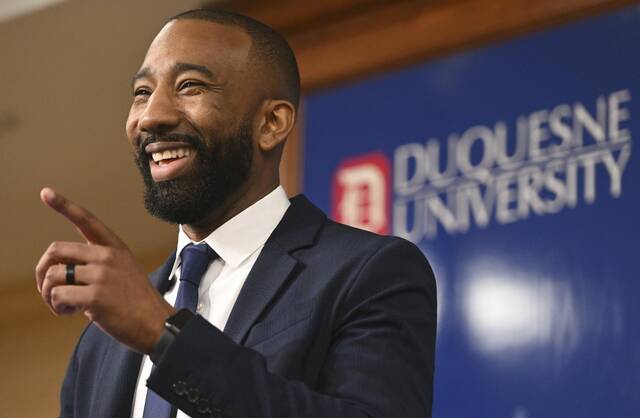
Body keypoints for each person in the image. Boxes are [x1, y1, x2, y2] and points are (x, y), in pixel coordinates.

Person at [35, 9, 437, 418]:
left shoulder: (369, 274)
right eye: (142, 92)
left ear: (271, 123)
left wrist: (165, 335)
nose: (152, 116)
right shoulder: (100, 342)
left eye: (189, 86)